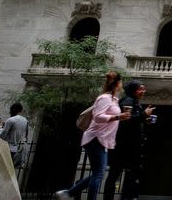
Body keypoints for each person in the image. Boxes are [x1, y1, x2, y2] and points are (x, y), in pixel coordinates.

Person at [54, 71, 131, 200]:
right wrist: (118, 116)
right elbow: (98, 116)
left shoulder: (114, 99)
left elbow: (109, 118)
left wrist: (120, 118)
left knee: (97, 173)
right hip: (96, 138)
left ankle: (68, 193)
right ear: (117, 83)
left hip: (102, 139)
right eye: (121, 82)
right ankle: (71, 194)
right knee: (99, 174)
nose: (122, 84)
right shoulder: (104, 98)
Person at [103, 80, 155, 200]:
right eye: (140, 89)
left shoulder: (134, 101)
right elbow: (126, 121)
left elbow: (133, 120)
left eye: (144, 89)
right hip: (124, 146)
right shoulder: (128, 101)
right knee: (115, 175)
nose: (143, 91)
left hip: (131, 147)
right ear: (132, 90)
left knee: (129, 174)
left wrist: (144, 119)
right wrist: (143, 115)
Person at [0, 102, 28, 168]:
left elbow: (1, 136)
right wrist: (5, 125)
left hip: (6, 149)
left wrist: (0, 127)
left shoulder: (10, 120)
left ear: (13, 109)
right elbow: (16, 130)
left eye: (10, 110)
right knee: (8, 169)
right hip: (15, 150)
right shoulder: (25, 120)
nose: (9, 112)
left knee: (1, 168)